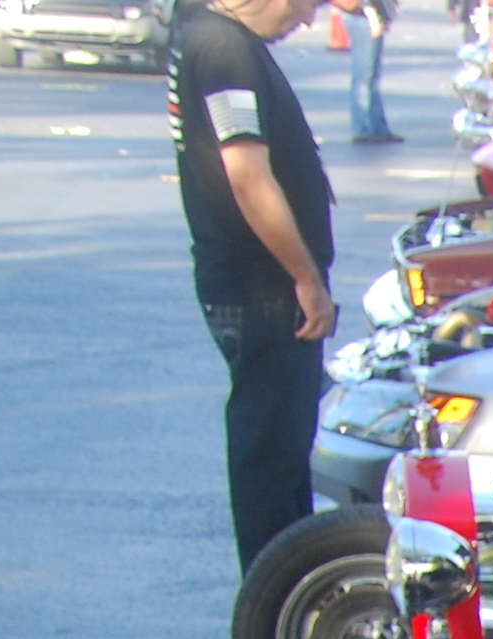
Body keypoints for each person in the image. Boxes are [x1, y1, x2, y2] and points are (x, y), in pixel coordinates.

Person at [173, 0, 341, 574]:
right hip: (263, 289)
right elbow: (247, 174)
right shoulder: (225, 50)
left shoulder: (217, 40)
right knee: (271, 463)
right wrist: (305, 278)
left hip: (259, 285)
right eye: (306, 5)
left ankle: (287, 590)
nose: (307, 20)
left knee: (282, 455)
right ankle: (276, 600)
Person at [327, 0, 396, 142]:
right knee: (364, 76)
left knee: (371, 76)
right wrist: (371, 13)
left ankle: (377, 126)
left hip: (371, 14)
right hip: (364, 15)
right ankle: (363, 127)